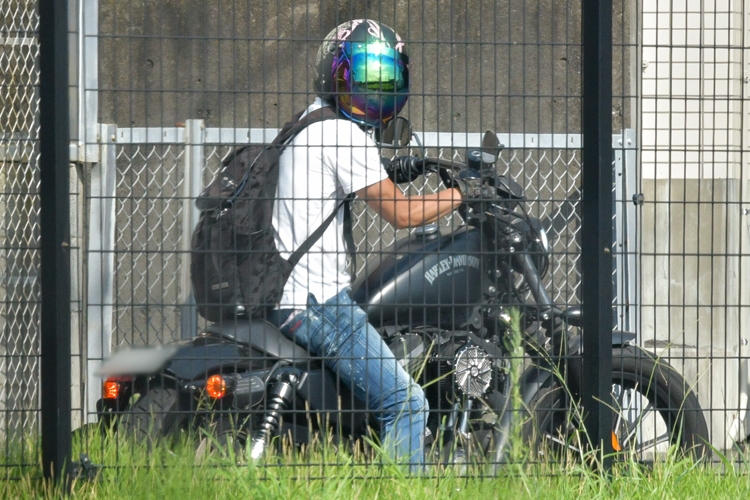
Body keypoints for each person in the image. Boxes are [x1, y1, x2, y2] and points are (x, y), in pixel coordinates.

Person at [268, 19, 464, 468]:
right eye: (361, 77)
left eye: (384, 78)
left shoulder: (309, 120)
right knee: (407, 403)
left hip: (283, 290)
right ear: (335, 75)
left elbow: (341, 181)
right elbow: (402, 214)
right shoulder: (344, 134)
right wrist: (462, 194)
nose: (372, 90)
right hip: (315, 301)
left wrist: (402, 171)